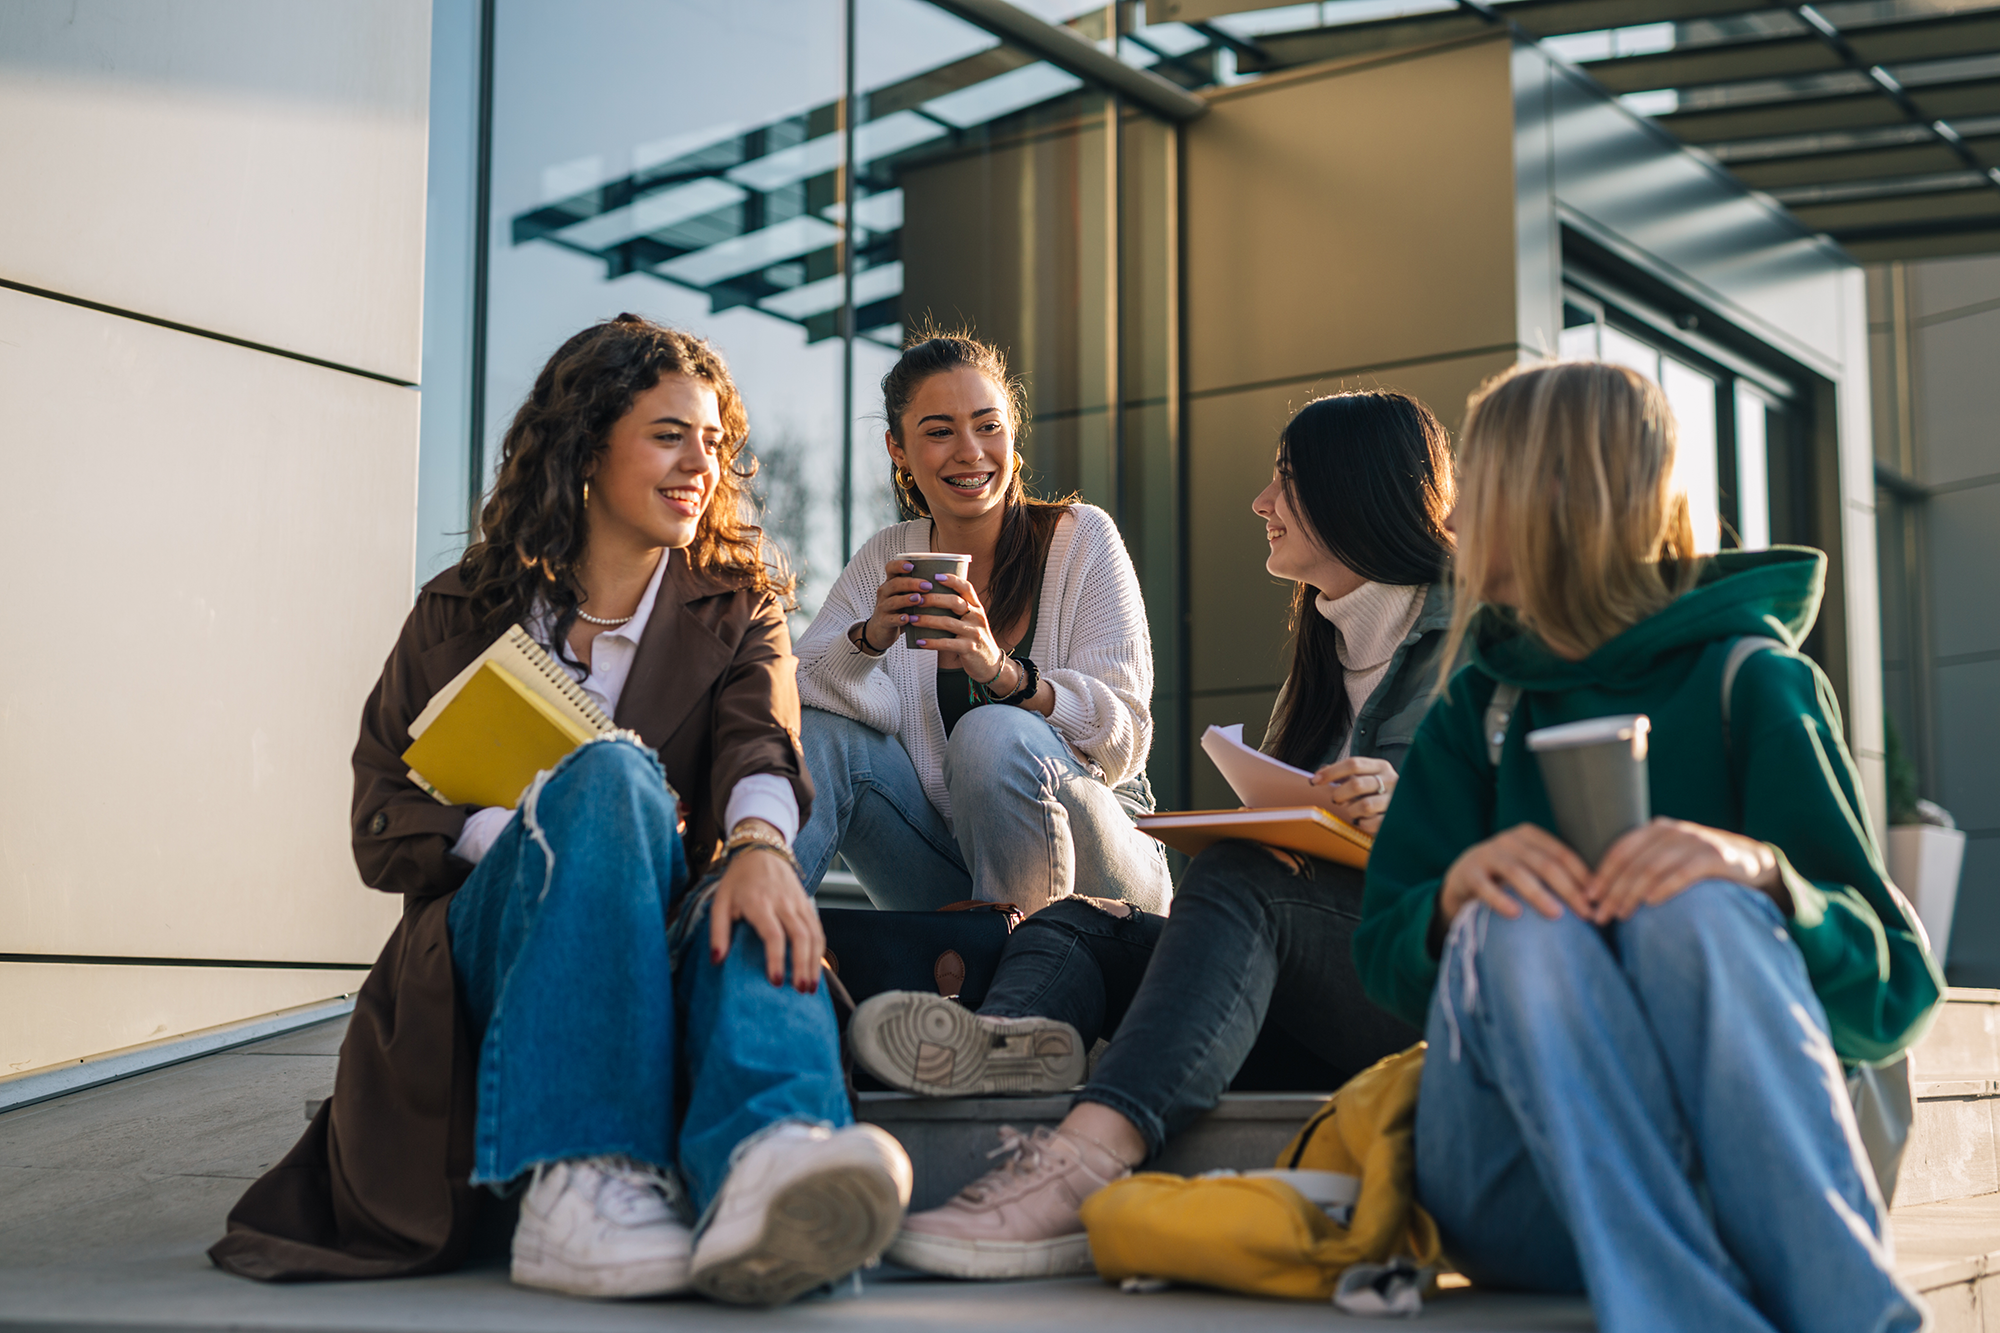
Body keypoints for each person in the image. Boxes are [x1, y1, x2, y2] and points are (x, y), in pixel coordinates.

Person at [210, 315, 911, 1307]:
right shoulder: (458, 609)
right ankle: (581, 1182)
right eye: (669, 434)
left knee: (751, 891)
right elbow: (379, 810)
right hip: (490, 947)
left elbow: (763, 742)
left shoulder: (736, 601)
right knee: (612, 779)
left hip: (666, 933)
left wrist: (758, 842)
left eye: (712, 442)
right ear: (586, 444)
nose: (699, 465)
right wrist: (536, 838)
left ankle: (771, 1158)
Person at [1354, 361, 1940, 1332]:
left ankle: (1851, 1315)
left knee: (1700, 898)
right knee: (1521, 922)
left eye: (1476, 488)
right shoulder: (1480, 701)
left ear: (1558, 500)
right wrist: (1453, 893)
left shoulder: (1750, 680)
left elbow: (1892, 997)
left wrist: (1762, 878)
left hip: (1748, 1189)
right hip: (1521, 1190)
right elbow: (1381, 952)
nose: (1449, 523)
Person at [846, 390, 1458, 1280]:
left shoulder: (1476, 640)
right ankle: (1006, 1041)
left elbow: (1529, 830)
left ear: (1352, 488)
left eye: (1284, 480)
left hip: (1412, 989)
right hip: (1309, 979)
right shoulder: (1326, 649)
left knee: (1241, 875)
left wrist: (1409, 809)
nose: (1260, 502)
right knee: (1076, 921)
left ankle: (1077, 1168)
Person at [793, 333, 1169, 916]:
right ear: (899, 450)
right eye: (940, 431)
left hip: (1105, 865)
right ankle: (743, 944)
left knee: (989, 733)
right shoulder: (885, 558)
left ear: (1012, 439)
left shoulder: (1082, 539)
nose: (970, 451)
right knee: (823, 735)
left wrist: (1005, 677)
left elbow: (1125, 737)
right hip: (957, 876)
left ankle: (1017, 993)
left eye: (987, 426)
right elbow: (798, 693)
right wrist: (867, 640)